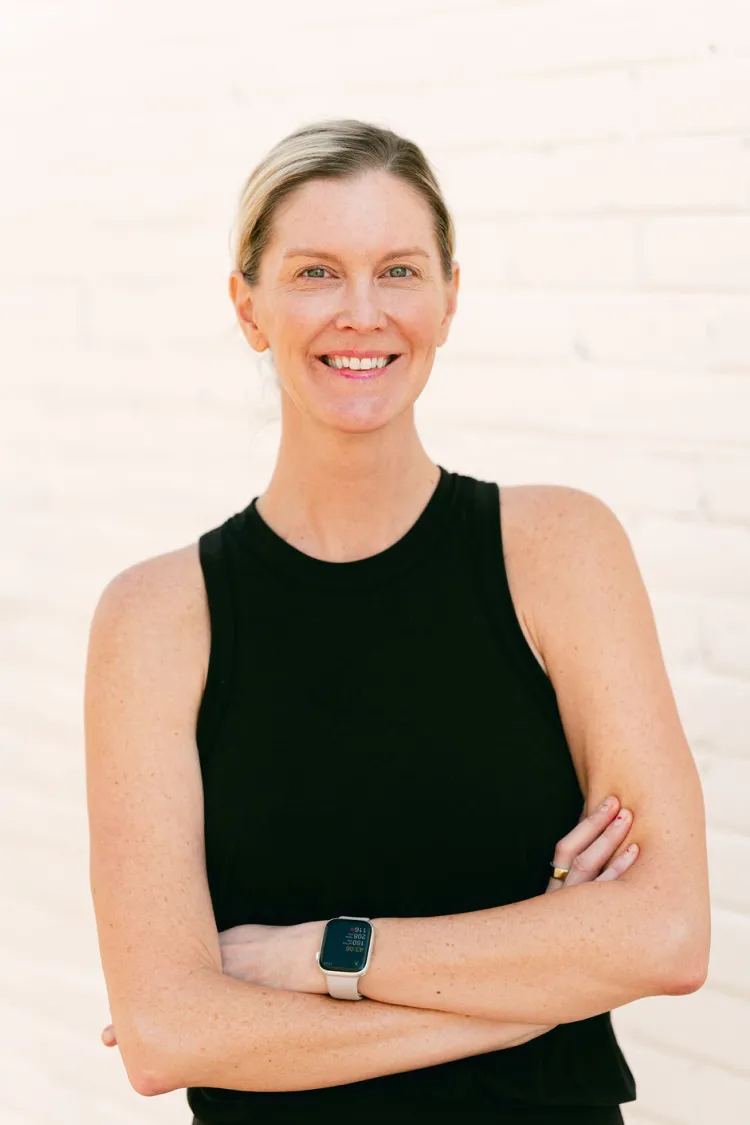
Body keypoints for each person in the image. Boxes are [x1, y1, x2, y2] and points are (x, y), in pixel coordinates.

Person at [85, 118, 710, 1124]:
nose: (363, 313)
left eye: (400, 271)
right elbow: (166, 1037)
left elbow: (670, 933)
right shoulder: (156, 621)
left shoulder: (559, 551)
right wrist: (526, 998)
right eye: (317, 273)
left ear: (450, 298)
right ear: (248, 306)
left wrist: (322, 955)